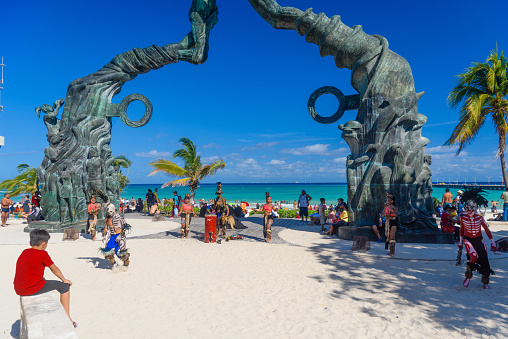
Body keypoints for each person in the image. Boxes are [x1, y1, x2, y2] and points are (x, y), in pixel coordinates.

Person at [13, 229, 76, 328]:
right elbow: (54, 269)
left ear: (30, 243)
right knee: (64, 287)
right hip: (30, 289)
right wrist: (64, 280)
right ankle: (67, 317)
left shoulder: (24, 252)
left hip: (19, 288)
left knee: (44, 279)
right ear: (44, 244)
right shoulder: (43, 254)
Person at [458, 199, 497, 289]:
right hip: (468, 239)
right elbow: (461, 231)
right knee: (474, 257)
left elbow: (487, 230)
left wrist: (493, 242)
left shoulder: (479, 218)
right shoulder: (463, 218)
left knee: (484, 259)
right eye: (467, 209)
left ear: (474, 209)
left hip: (479, 239)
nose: (468, 211)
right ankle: (468, 276)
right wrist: (460, 243)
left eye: (470, 209)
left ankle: (485, 281)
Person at [382, 193, 399, 257]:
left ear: (392, 201)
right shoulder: (386, 207)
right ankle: (390, 251)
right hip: (388, 223)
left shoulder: (395, 208)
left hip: (394, 222)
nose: (387, 201)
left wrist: (389, 211)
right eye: (387, 200)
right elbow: (383, 214)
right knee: (389, 237)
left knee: (392, 237)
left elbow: (396, 215)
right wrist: (385, 208)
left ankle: (392, 252)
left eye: (389, 200)